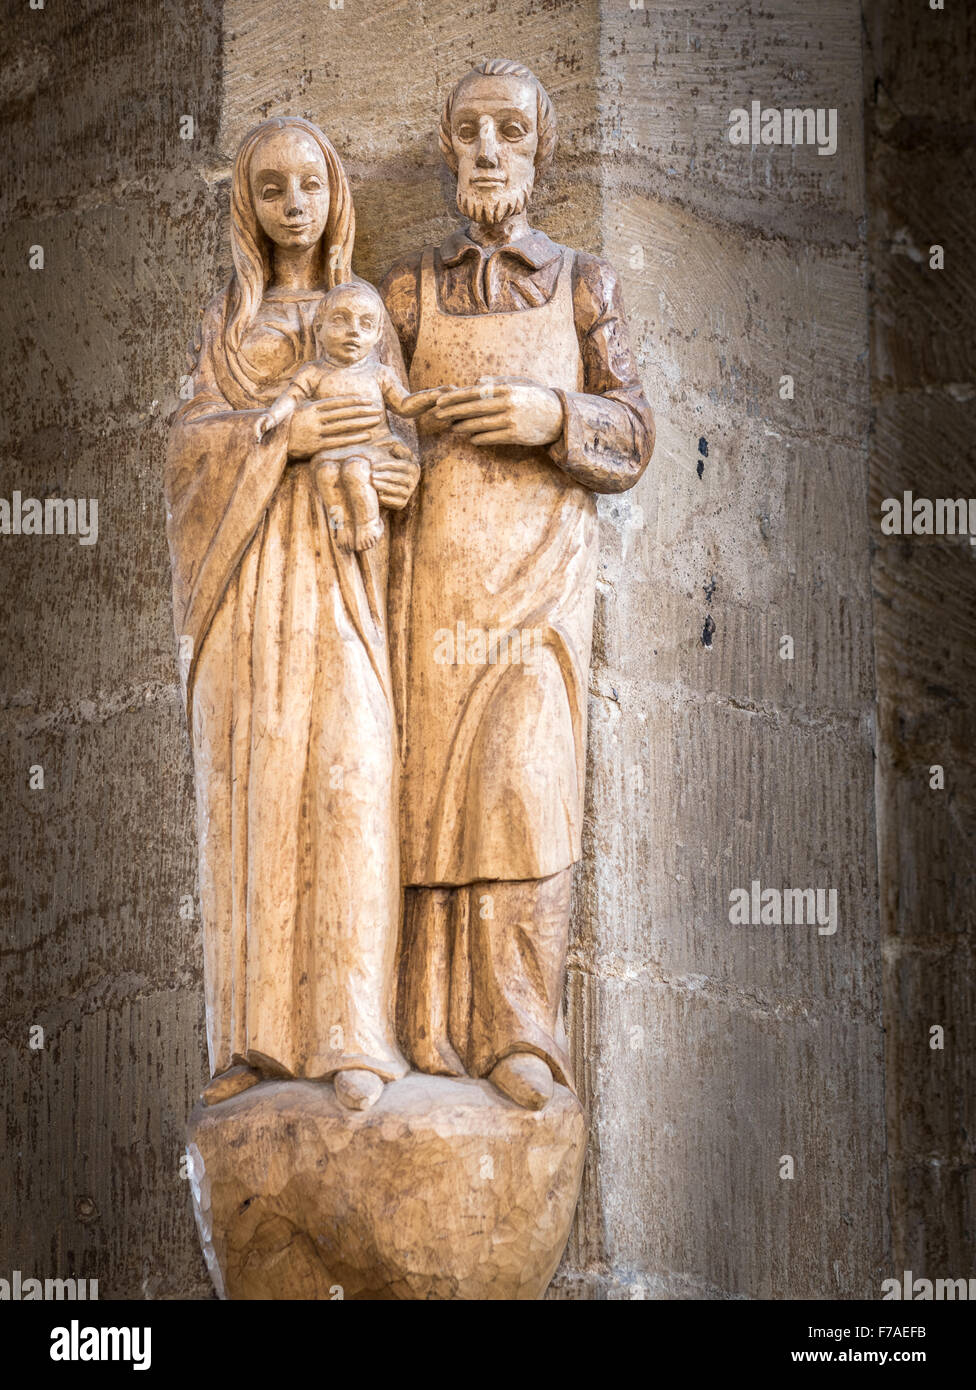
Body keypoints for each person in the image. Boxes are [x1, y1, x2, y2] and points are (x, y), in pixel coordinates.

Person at [381, 60, 655, 1110]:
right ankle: (426, 1026)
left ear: (539, 149)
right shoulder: (406, 290)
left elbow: (632, 433)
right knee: (429, 798)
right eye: (469, 130)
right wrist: (384, 466)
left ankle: (523, 1028)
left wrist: (553, 418)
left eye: (509, 129)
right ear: (450, 151)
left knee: (525, 785)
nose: (488, 148)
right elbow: (367, 412)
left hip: (540, 588)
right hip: (433, 582)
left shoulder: (585, 283)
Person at [166, 117, 420, 1112]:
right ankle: (256, 1036)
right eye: (271, 188)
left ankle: (353, 1031)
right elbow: (186, 461)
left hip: (344, 577)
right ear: (249, 207)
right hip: (247, 591)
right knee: (258, 787)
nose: (293, 203)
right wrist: (289, 435)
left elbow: (407, 449)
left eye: (309, 183)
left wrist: (393, 472)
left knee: (352, 775)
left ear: (334, 194)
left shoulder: (362, 315)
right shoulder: (226, 337)